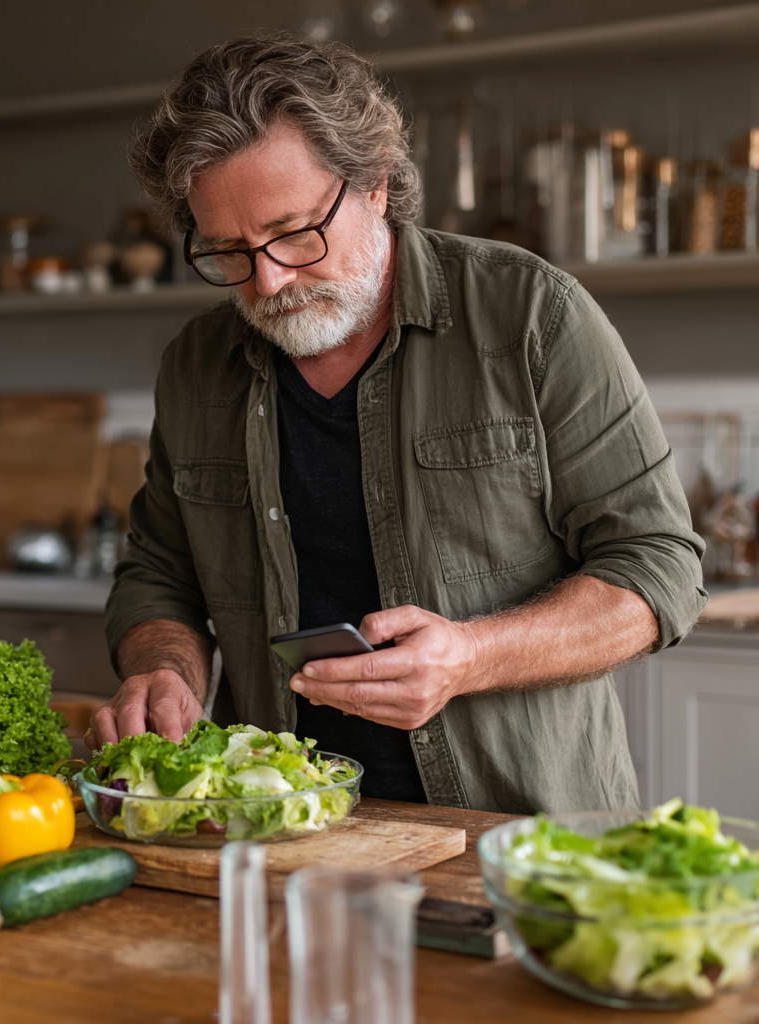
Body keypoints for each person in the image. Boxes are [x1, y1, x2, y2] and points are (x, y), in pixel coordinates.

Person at [87, 34, 705, 813]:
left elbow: (658, 569)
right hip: (278, 829)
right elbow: (159, 575)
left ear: (375, 182)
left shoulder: (530, 316)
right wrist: (166, 669)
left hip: (515, 838)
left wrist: (469, 656)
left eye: (295, 232)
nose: (270, 279)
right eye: (229, 251)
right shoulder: (196, 364)